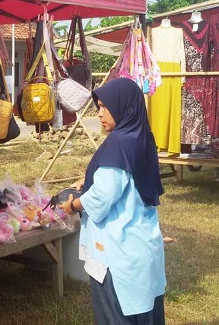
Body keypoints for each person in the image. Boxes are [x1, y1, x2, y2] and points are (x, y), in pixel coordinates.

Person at [59, 77, 166, 325]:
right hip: (142, 246)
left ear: (123, 106)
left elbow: (102, 197)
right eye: (98, 107)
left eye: (106, 106)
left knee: (115, 315)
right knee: (145, 314)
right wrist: (91, 183)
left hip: (118, 251)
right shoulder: (140, 137)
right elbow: (128, 179)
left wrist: (73, 205)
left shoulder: (119, 143)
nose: (99, 113)